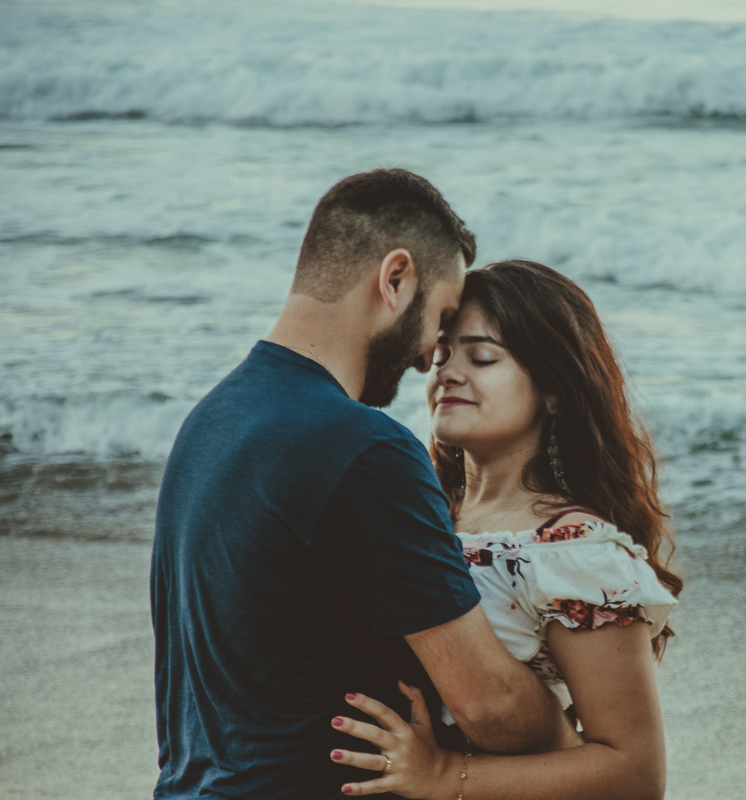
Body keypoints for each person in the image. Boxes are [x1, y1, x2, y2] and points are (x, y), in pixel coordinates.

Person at [150, 172, 577, 800]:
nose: (431, 355)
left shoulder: (211, 421)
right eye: (441, 319)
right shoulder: (362, 448)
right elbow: (490, 706)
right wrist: (582, 755)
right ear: (395, 278)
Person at [328, 261, 684, 800]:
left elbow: (635, 775)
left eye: (483, 356)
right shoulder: (419, 516)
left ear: (555, 390)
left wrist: (446, 776)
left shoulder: (574, 551)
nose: (447, 371)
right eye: (441, 353)